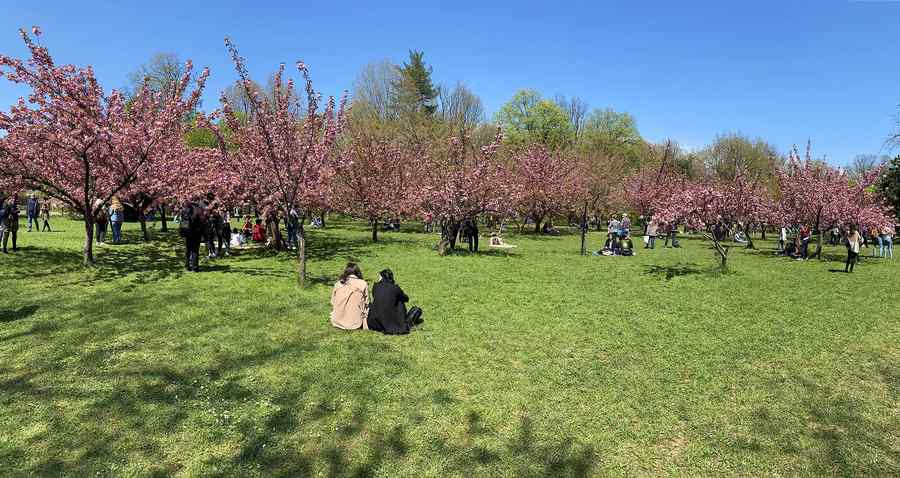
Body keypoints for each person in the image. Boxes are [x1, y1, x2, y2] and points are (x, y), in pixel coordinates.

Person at [368, 269, 419, 335]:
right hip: (389, 323)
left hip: (374, 323)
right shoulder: (395, 288)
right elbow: (406, 298)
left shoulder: (375, 286)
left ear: (382, 277)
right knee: (400, 300)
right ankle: (400, 323)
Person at [330, 263, 369, 330]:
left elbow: (333, 302)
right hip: (356, 323)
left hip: (337, 321)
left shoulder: (338, 284)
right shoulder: (363, 284)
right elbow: (367, 303)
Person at [179, 198, 205, 272]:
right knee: (195, 250)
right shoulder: (198, 210)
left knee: (188, 250)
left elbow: (182, 221)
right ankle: (195, 267)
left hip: (187, 233)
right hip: (196, 233)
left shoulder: (184, 210)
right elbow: (202, 222)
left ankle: (187, 266)